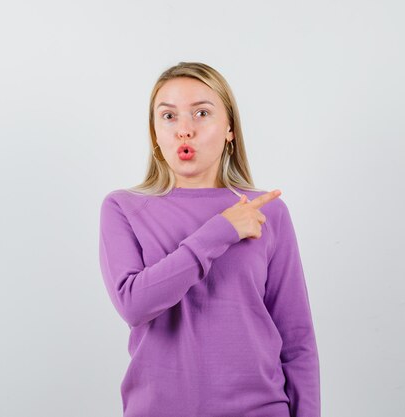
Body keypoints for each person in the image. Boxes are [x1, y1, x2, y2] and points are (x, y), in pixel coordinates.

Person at [98, 62, 320, 417]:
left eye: (201, 113)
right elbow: (134, 305)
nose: (184, 130)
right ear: (155, 133)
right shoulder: (124, 208)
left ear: (230, 128)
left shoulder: (266, 211)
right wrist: (222, 230)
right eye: (168, 117)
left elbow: (297, 340)